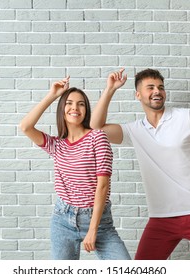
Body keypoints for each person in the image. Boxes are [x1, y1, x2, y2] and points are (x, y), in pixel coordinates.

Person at [90, 68, 190, 260]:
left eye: (161, 87)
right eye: (151, 87)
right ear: (138, 95)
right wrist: (110, 89)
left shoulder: (187, 117)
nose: (157, 91)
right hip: (162, 218)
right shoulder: (135, 130)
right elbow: (94, 129)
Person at [19, 76, 131, 260]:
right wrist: (52, 95)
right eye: (69, 103)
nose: (75, 108)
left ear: (86, 110)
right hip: (63, 220)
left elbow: (102, 186)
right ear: (62, 109)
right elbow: (25, 126)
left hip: (99, 221)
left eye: (81, 104)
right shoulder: (57, 145)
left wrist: (93, 229)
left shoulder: (97, 138)